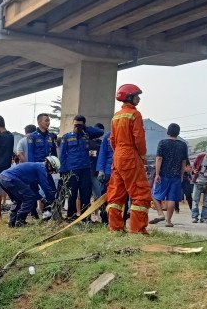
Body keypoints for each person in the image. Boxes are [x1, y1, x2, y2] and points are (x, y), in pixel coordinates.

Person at [106, 84, 151, 234]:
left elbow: (112, 139)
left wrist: (118, 153)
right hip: (130, 155)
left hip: (117, 156)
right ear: (130, 97)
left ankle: (115, 227)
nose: (139, 98)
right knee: (140, 192)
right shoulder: (134, 115)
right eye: (137, 95)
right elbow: (139, 138)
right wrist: (142, 156)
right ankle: (137, 230)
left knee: (116, 193)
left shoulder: (116, 116)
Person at [59, 115, 105, 219]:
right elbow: (62, 155)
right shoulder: (67, 137)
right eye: (75, 124)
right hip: (72, 169)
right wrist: (63, 170)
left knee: (86, 194)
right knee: (72, 193)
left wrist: (84, 128)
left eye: (79, 125)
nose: (76, 127)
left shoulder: (87, 134)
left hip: (85, 169)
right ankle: (71, 216)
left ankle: (85, 217)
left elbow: (100, 132)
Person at [0, 156, 59, 227]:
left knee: (18, 200)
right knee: (29, 198)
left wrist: (42, 199)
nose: (51, 173)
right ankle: (20, 222)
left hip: (3, 177)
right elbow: (46, 187)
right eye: (52, 170)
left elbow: (33, 190)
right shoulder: (41, 168)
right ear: (49, 165)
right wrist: (53, 201)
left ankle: (12, 222)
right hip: (10, 178)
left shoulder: (35, 168)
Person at [149, 123, 189, 227]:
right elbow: (184, 162)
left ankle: (160, 214)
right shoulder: (183, 145)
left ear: (168, 132)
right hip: (176, 176)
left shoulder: (162, 143)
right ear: (178, 133)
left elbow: (159, 159)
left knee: (153, 194)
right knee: (171, 199)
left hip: (163, 175)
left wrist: (157, 174)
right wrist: (181, 175)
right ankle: (168, 221)